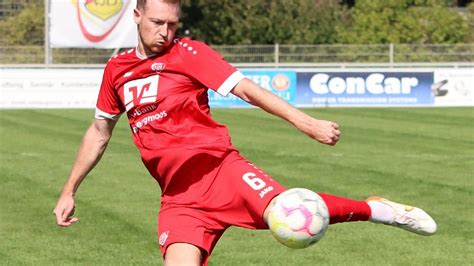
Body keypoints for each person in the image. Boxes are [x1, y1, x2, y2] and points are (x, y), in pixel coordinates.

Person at [53, 0, 437, 265]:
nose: (165, 32)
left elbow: (246, 89)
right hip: (178, 199)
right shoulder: (116, 70)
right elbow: (100, 130)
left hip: (222, 172)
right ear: (137, 16)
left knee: (292, 213)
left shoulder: (189, 52)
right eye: (157, 23)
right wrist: (69, 190)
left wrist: (306, 123)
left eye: (172, 24)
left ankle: (380, 210)